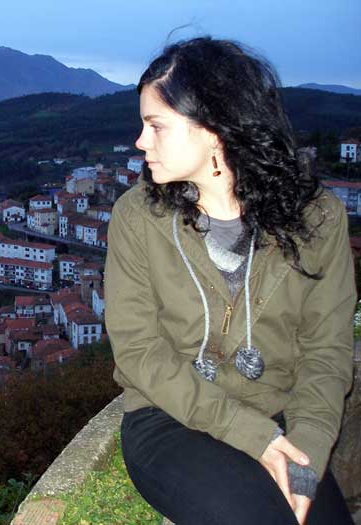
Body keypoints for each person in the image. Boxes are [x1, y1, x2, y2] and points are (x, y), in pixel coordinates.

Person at [104, 37, 355, 525]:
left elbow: (327, 351)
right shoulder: (138, 216)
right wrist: (254, 437)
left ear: (214, 128)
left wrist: (306, 452)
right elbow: (139, 351)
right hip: (167, 418)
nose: (140, 142)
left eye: (156, 126)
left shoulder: (318, 219)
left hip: (280, 412)